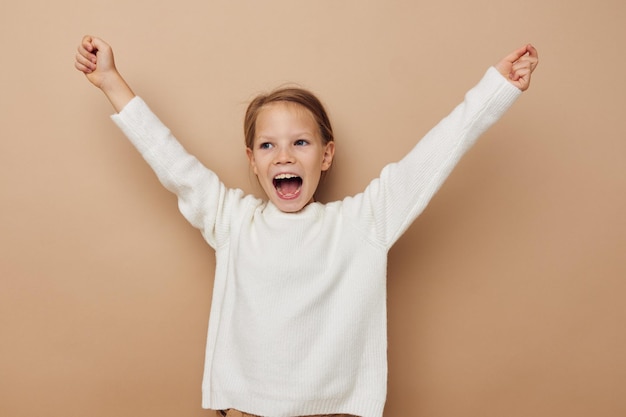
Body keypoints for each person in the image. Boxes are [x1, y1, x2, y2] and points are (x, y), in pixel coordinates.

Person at [75, 35, 538, 417]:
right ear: (253, 162)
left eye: (300, 142)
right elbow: (171, 161)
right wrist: (111, 82)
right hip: (244, 412)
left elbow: (433, 156)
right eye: (268, 145)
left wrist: (495, 89)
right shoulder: (232, 219)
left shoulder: (364, 222)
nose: (284, 156)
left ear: (326, 155)